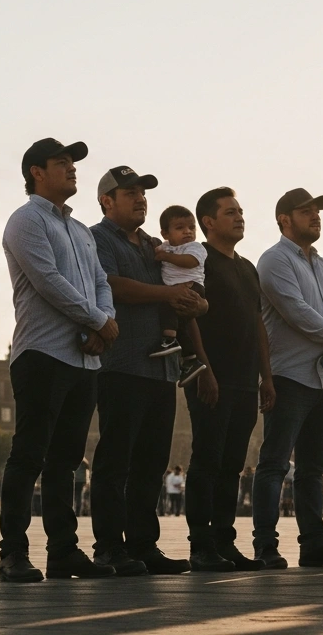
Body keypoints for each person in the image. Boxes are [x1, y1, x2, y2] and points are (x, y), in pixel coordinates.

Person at [0, 138, 117, 583]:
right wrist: (97, 321)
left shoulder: (81, 230)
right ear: (35, 172)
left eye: (73, 163)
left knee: (66, 460)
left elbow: (99, 282)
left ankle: (63, 550)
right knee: (28, 455)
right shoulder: (25, 221)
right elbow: (47, 281)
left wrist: (103, 323)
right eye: (61, 162)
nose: (72, 169)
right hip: (43, 352)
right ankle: (13, 552)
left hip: (83, 358)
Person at [90, 165, 203, 576]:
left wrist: (196, 302)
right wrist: (169, 293)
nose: (140, 198)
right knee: (115, 460)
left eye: (143, 192)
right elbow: (112, 284)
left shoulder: (156, 245)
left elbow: (188, 287)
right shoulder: (97, 238)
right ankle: (108, 546)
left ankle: (143, 543)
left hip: (162, 369)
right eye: (129, 192)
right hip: (121, 362)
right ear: (106, 201)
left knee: (152, 463)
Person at [251, 188, 323, 570]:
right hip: (291, 375)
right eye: (305, 211)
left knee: (313, 468)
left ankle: (313, 543)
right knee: (275, 464)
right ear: (284, 218)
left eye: (317, 211)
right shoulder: (274, 261)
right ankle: (266, 544)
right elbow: (296, 312)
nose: (315, 216)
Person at [183, 188, 274, 572]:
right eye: (229, 212)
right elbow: (188, 314)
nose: (239, 217)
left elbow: (257, 324)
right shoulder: (198, 262)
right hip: (211, 377)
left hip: (244, 379)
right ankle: (201, 545)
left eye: (240, 211)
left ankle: (224, 540)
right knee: (207, 459)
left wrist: (266, 377)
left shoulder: (247, 267)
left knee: (233, 463)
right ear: (208, 221)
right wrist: (203, 368)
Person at [154, 205, 210, 384]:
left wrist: (166, 257)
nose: (188, 232)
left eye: (191, 227)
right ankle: (190, 359)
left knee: (168, 305)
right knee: (183, 325)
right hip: (175, 288)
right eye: (180, 228)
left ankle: (169, 339)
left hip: (192, 287)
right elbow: (154, 252)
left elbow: (190, 262)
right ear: (165, 234)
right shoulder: (164, 247)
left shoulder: (195, 247)